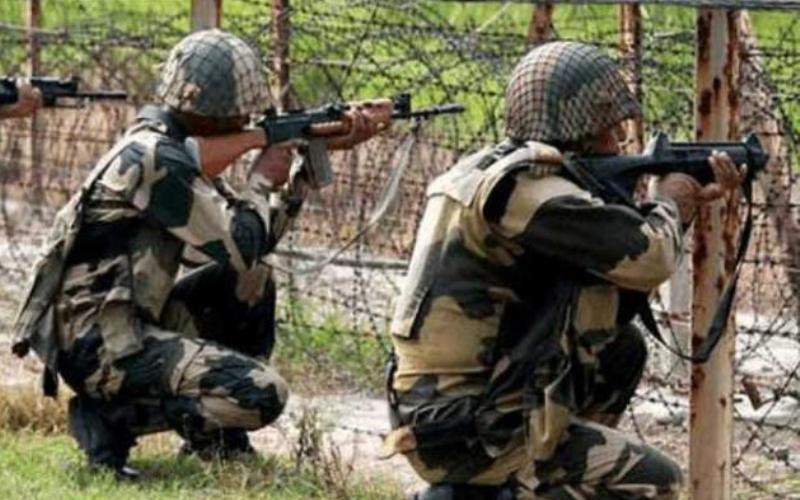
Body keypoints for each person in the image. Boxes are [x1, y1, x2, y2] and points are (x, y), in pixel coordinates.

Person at [12, 29, 390, 478]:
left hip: (125, 321)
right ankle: (110, 418)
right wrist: (261, 178)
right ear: (212, 111)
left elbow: (251, 245)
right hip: (101, 346)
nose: (247, 119)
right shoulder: (156, 158)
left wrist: (303, 167)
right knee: (261, 394)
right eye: (241, 112)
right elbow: (241, 243)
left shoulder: (167, 148)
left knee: (252, 279)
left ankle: (216, 438)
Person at [383, 41, 744, 499]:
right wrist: (670, 201)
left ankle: (518, 482)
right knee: (657, 482)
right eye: (611, 130)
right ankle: (498, 489)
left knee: (621, 348)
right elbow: (650, 258)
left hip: (448, 411)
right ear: (582, 130)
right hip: (470, 431)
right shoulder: (528, 192)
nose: (619, 142)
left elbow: (610, 282)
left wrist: (674, 211)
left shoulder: (490, 172)